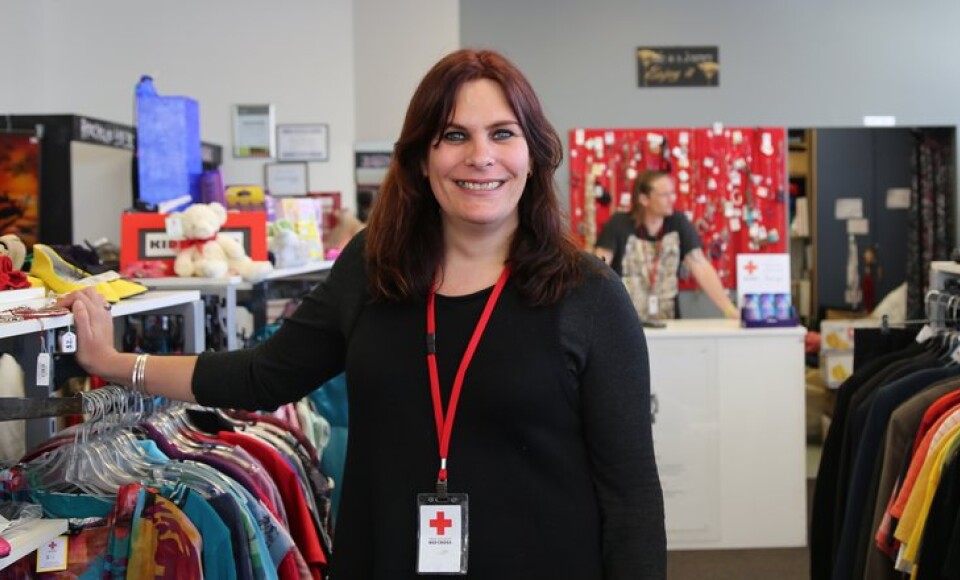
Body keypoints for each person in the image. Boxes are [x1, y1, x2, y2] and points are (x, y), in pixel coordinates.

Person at [59, 49, 665, 579]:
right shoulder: (374, 269)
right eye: (454, 135)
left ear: (533, 152)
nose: (481, 157)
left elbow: (631, 494)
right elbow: (262, 376)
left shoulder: (588, 296)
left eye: (503, 134)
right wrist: (115, 364)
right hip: (388, 560)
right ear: (422, 159)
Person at [594, 170, 739, 321]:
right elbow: (598, 267)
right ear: (644, 199)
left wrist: (730, 310)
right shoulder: (618, 224)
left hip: (669, 323)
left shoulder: (678, 222)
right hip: (625, 324)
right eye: (665, 195)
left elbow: (700, 265)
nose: (672, 199)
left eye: (673, 193)